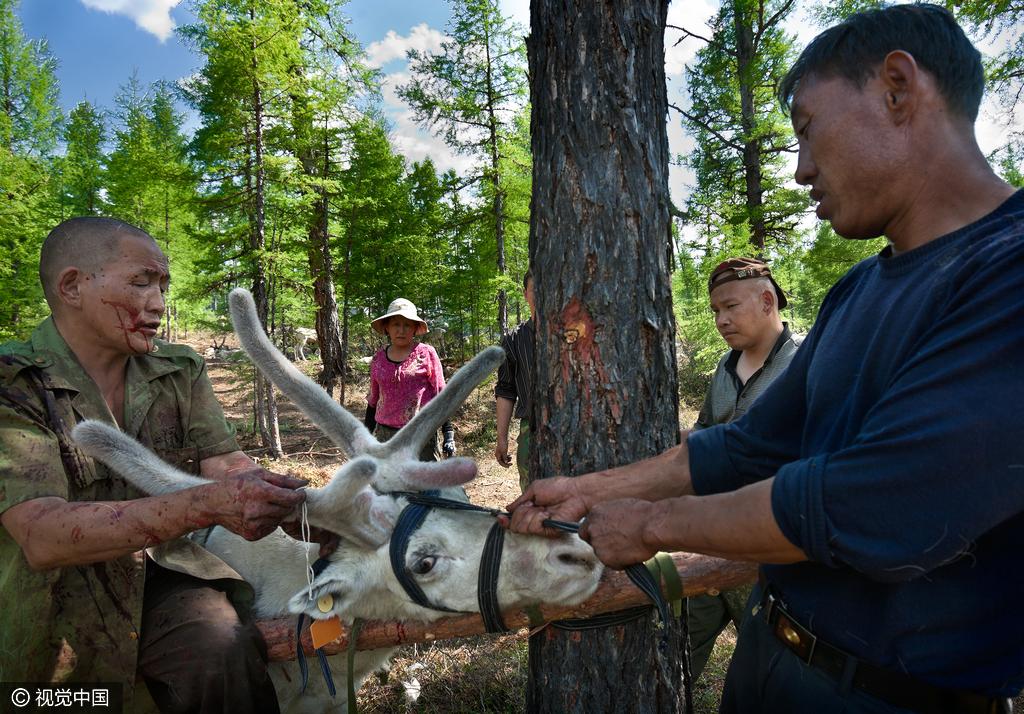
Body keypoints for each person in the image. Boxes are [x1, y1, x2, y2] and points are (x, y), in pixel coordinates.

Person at [507, 5, 1022, 712]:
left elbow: (877, 506)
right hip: (769, 656)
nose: (803, 169)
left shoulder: (1008, 273)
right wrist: (589, 491)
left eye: (808, 131)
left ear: (898, 88)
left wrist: (650, 525)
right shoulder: (857, 290)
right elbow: (751, 446)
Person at [0, 217, 312, 712]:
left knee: (223, 649)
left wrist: (293, 499)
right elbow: (41, 534)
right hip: (46, 597)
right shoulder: (13, 383)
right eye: (141, 281)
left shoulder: (178, 369)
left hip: (159, 572)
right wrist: (204, 505)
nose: (159, 304)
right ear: (72, 286)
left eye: (163, 285)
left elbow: (223, 461)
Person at [687, 257, 801, 680]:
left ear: (767, 301)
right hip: (708, 539)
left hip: (772, 551)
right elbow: (702, 432)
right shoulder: (723, 367)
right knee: (679, 650)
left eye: (730, 307)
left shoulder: (807, 364)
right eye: (716, 310)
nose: (721, 320)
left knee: (770, 667)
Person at [363, 298, 455, 461]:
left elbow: (441, 395)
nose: (401, 330)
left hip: (421, 436)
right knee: (390, 485)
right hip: (386, 437)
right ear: (387, 328)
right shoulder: (379, 359)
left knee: (425, 484)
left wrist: (448, 434)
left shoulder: (426, 353)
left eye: (407, 325)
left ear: (414, 329)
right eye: (396, 324)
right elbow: (373, 400)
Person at [495, 270, 536, 491]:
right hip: (531, 430)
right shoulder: (513, 339)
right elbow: (506, 390)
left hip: (575, 428)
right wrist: (502, 438)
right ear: (525, 294)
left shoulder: (572, 334)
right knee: (532, 499)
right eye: (535, 289)